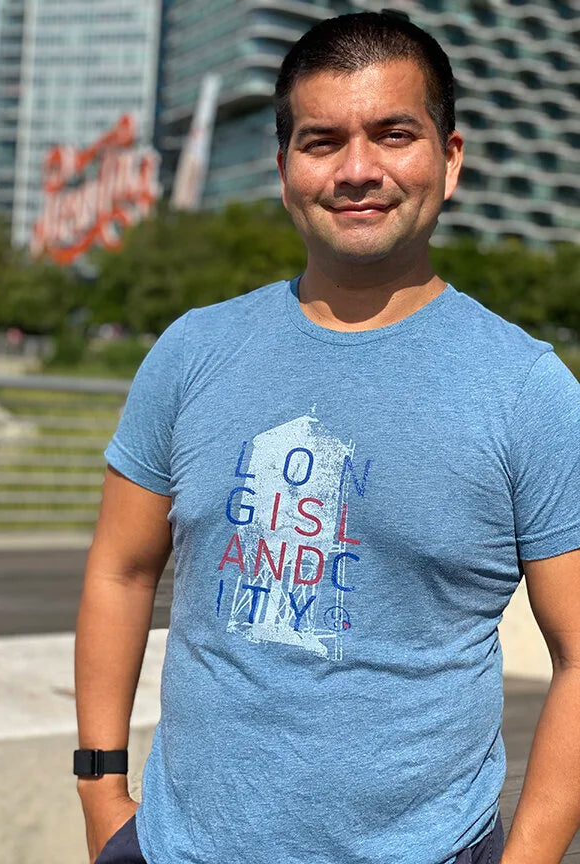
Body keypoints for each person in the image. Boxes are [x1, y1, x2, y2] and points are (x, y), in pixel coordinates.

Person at [74, 10, 580, 864]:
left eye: (393, 134)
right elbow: (121, 571)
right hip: (174, 844)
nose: (357, 171)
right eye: (321, 141)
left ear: (448, 159)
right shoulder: (193, 351)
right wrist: (101, 794)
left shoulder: (529, 391)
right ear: (283, 169)